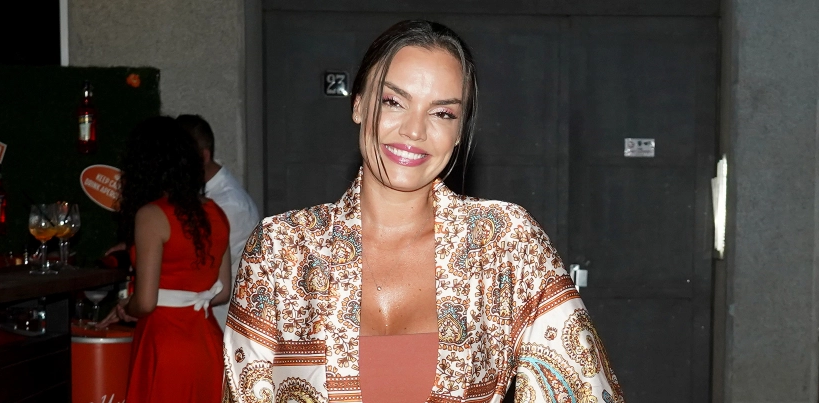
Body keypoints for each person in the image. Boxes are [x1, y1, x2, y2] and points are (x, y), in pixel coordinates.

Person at [223, 20, 625, 403]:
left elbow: (583, 387)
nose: (414, 130)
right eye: (394, 102)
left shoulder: (505, 243)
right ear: (359, 104)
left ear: (459, 131)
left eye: (442, 113)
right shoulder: (282, 249)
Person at [98, 116, 232, 403]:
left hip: (166, 344)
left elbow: (146, 302)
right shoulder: (215, 213)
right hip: (208, 341)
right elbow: (222, 292)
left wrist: (125, 307)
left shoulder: (152, 215)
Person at [175, 114, 261, 329]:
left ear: (203, 157)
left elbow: (199, 270)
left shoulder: (229, 205)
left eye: (177, 159)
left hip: (222, 324)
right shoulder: (202, 194)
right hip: (203, 317)